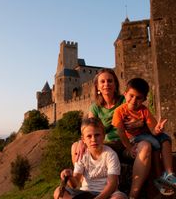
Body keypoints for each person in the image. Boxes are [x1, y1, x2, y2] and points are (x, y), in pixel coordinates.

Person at [72, 69, 153, 199]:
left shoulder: (125, 101)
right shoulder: (95, 107)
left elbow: (137, 118)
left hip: (127, 143)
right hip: (105, 146)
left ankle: (133, 195)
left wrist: (139, 123)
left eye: (110, 81)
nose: (106, 84)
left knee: (145, 146)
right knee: (76, 146)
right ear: (97, 86)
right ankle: (85, 188)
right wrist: (82, 141)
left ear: (115, 84)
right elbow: (90, 128)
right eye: (102, 81)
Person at [112, 77, 176, 195]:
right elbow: (121, 132)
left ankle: (169, 173)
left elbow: (153, 130)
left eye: (138, 98)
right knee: (155, 143)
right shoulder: (119, 111)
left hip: (147, 135)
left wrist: (158, 129)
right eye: (131, 96)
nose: (134, 100)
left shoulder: (144, 110)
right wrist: (129, 147)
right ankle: (158, 178)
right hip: (133, 139)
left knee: (166, 138)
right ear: (125, 94)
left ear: (144, 99)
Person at [54, 117, 127, 199]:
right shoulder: (83, 155)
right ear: (83, 139)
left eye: (97, 135)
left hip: (107, 194)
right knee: (58, 191)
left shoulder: (110, 155)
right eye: (89, 136)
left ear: (103, 136)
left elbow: (112, 184)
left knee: (119, 197)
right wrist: (69, 176)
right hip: (86, 192)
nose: (94, 139)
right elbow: (74, 184)